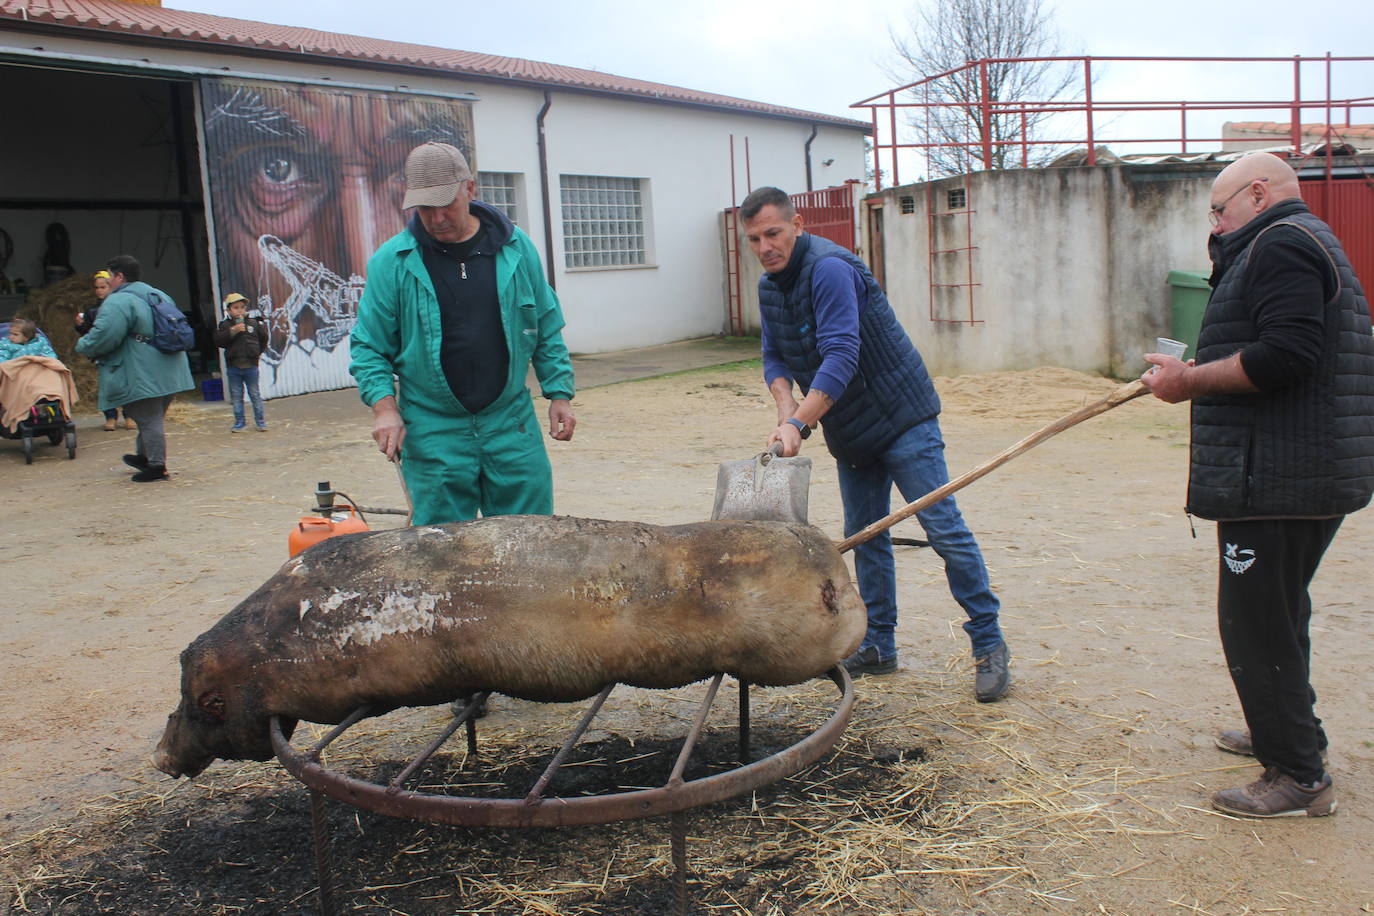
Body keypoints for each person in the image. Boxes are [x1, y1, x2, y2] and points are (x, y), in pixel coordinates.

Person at [1141, 152, 1374, 818]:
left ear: (1259, 194)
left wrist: (1188, 383)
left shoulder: (1282, 247)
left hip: (1280, 473)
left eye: (1220, 210)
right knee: (1278, 610)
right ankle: (1283, 731)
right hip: (1297, 467)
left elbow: (1288, 355)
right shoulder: (1291, 242)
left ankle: (1299, 777)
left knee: (1256, 625)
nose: (1215, 224)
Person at [740, 186, 1010, 702]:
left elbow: (840, 354)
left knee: (943, 529)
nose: (765, 246)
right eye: (754, 238)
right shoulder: (769, 286)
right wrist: (784, 417)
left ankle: (989, 643)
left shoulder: (830, 269)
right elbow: (774, 358)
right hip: (852, 429)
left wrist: (799, 423)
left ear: (797, 225)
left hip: (901, 416)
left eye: (773, 233)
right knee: (866, 537)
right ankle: (880, 646)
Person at [350, 141, 576, 526]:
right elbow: (368, 346)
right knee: (441, 550)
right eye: (425, 209)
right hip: (432, 428)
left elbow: (545, 325)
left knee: (530, 537)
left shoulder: (518, 250)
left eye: (446, 205)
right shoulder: (392, 263)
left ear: (469, 189)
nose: (437, 219)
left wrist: (559, 393)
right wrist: (385, 410)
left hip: (510, 422)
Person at [74, 255, 195, 482]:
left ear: (119, 276)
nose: (108, 281)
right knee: (150, 417)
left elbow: (105, 335)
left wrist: (83, 346)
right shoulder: (157, 293)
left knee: (149, 419)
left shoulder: (117, 301)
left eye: (110, 276)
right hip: (171, 367)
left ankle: (157, 467)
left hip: (143, 369)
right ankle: (144, 457)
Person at [75, 270, 132, 431]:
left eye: (103, 287)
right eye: (97, 287)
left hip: (122, 351)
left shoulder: (121, 305)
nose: (100, 290)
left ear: (112, 286)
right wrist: (80, 325)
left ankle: (129, 416)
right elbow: (89, 332)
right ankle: (111, 417)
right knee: (107, 386)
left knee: (126, 384)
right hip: (103, 353)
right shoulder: (92, 311)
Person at [214, 292, 269, 432]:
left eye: (242, 307)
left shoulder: (253, 323)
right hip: (234, 366)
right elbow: (219, 341)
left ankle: (260, 422)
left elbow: (263, 339)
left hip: (251, 365)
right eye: (235, 307)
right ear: (228, 310)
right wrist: (232, 331)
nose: (239, 310)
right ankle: (239, 422)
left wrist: (258, 353)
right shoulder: (225, 325)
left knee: (255, 394)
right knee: (237, 396)